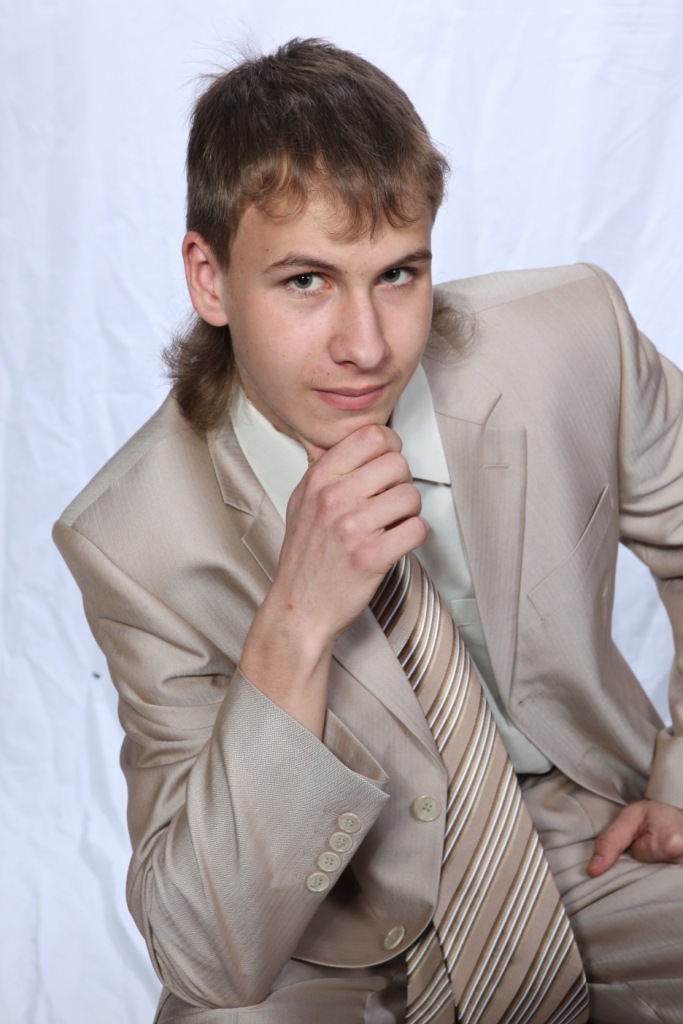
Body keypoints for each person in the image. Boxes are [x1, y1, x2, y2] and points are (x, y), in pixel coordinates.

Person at [53, 37, 683, 1024]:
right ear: (209, 279)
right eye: (305, 281)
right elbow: (204, 951)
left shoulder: (570, 336)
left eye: (396, 274)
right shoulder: (130, 539)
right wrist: (295, 625)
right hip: (327, 923)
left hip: (588, 846)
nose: (366, 345)